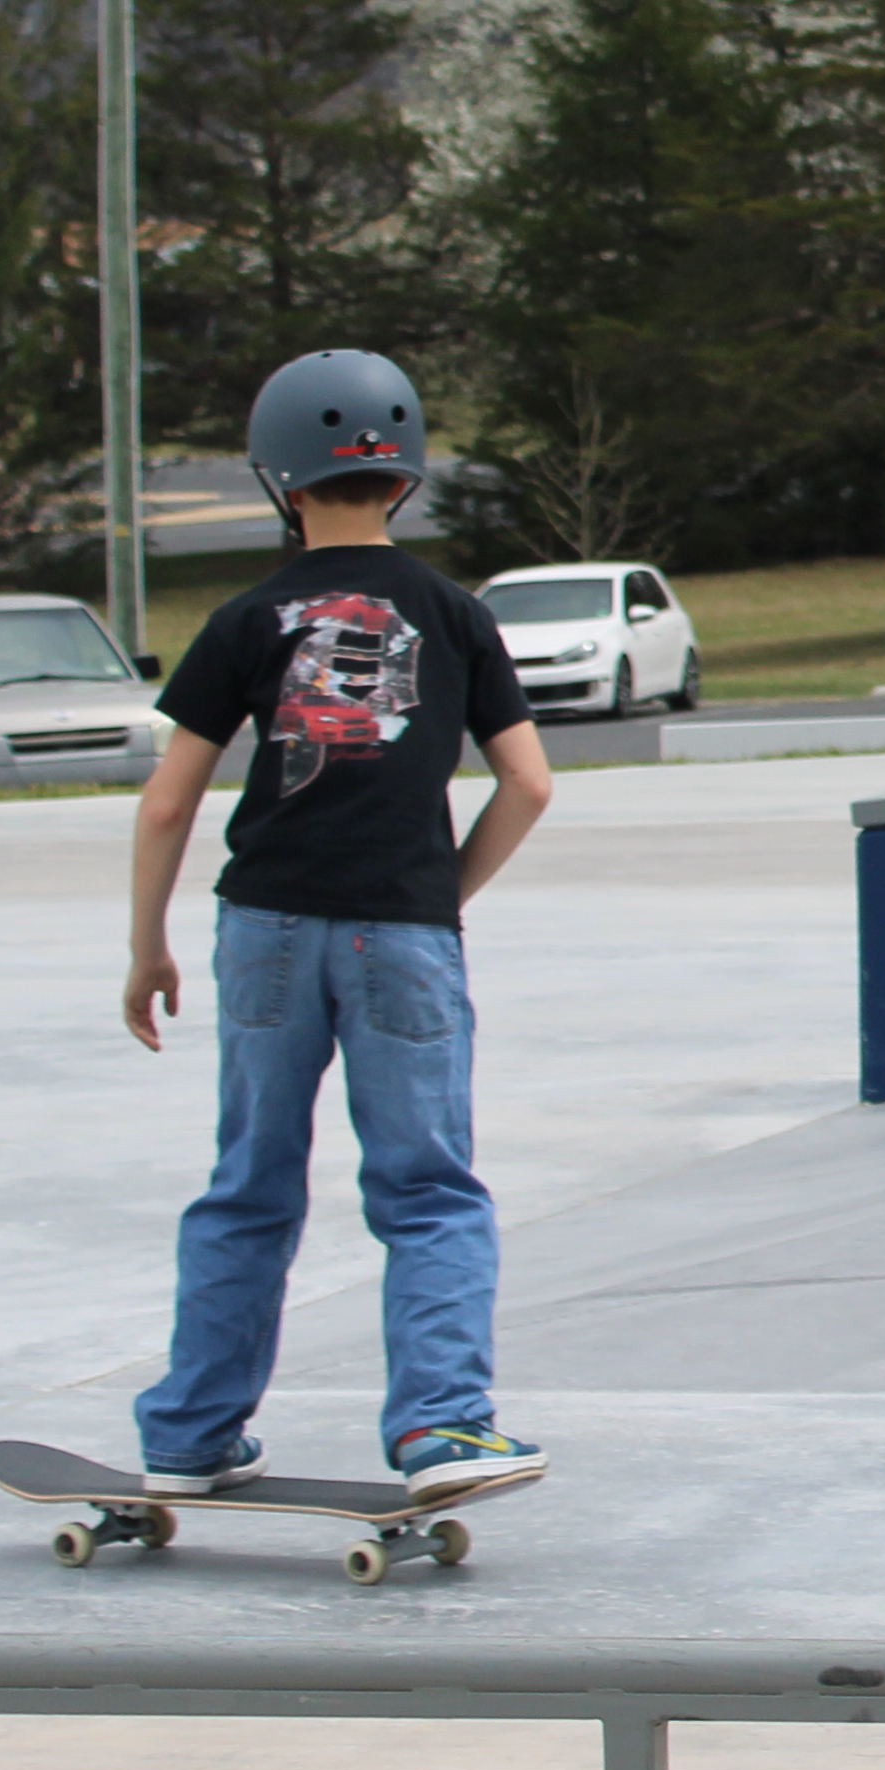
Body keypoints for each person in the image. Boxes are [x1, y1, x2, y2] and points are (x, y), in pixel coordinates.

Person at [114, 351, 555, 1495]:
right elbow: (531, 784)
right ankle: (443, 1428)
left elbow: (169, 800)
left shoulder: (246, 616)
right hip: (400, 932)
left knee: (251, 1181)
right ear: (402, 479)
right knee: (427, 1186)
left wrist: (146, 944)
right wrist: (439, 897)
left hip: (261, 927)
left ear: (279, 481)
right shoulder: (457, 614)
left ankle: (190, 1434)